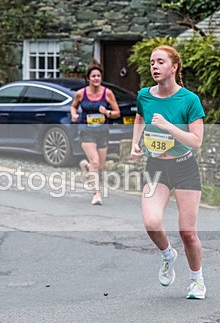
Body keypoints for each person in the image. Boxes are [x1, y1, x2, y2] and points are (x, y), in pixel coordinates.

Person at [130, 45, 206, 299]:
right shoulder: (144, 95)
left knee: (187, 232)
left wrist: (168, 126)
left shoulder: (189, 100)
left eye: (160, 62)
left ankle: (197, 280)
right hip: (156, 167)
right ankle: (167, 254)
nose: (154, 66)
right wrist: (135, 142)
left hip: (184, 166)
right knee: (151, 222)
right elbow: (140, 118)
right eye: (152, 62)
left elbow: (196, 141)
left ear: (173, 67)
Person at [70, 62, 120, 205]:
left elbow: (117, 113)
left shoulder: (107, 93)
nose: (96, 78)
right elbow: (73, 107)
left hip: (102, 131)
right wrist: (74, 115)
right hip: (86, 131)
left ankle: (85, 166)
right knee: (95, 161)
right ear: (88, 78)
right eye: (93, 76)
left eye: (98, 76)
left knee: (100, 166)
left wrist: (108, 112)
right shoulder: (81, 93)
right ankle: (97, 194)